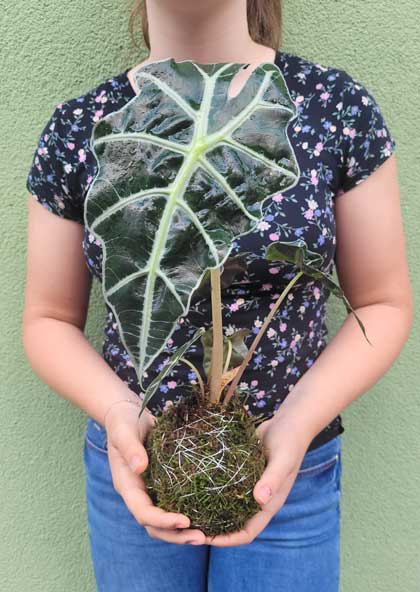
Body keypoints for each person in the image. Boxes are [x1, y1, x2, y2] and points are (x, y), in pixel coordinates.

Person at [22, 1, 413, 590]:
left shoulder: (332, 107)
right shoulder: (85, 127)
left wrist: (297, 424)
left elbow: (384, 302)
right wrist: (119, 413)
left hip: (294, 464)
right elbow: (48, 317)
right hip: (135, 458)